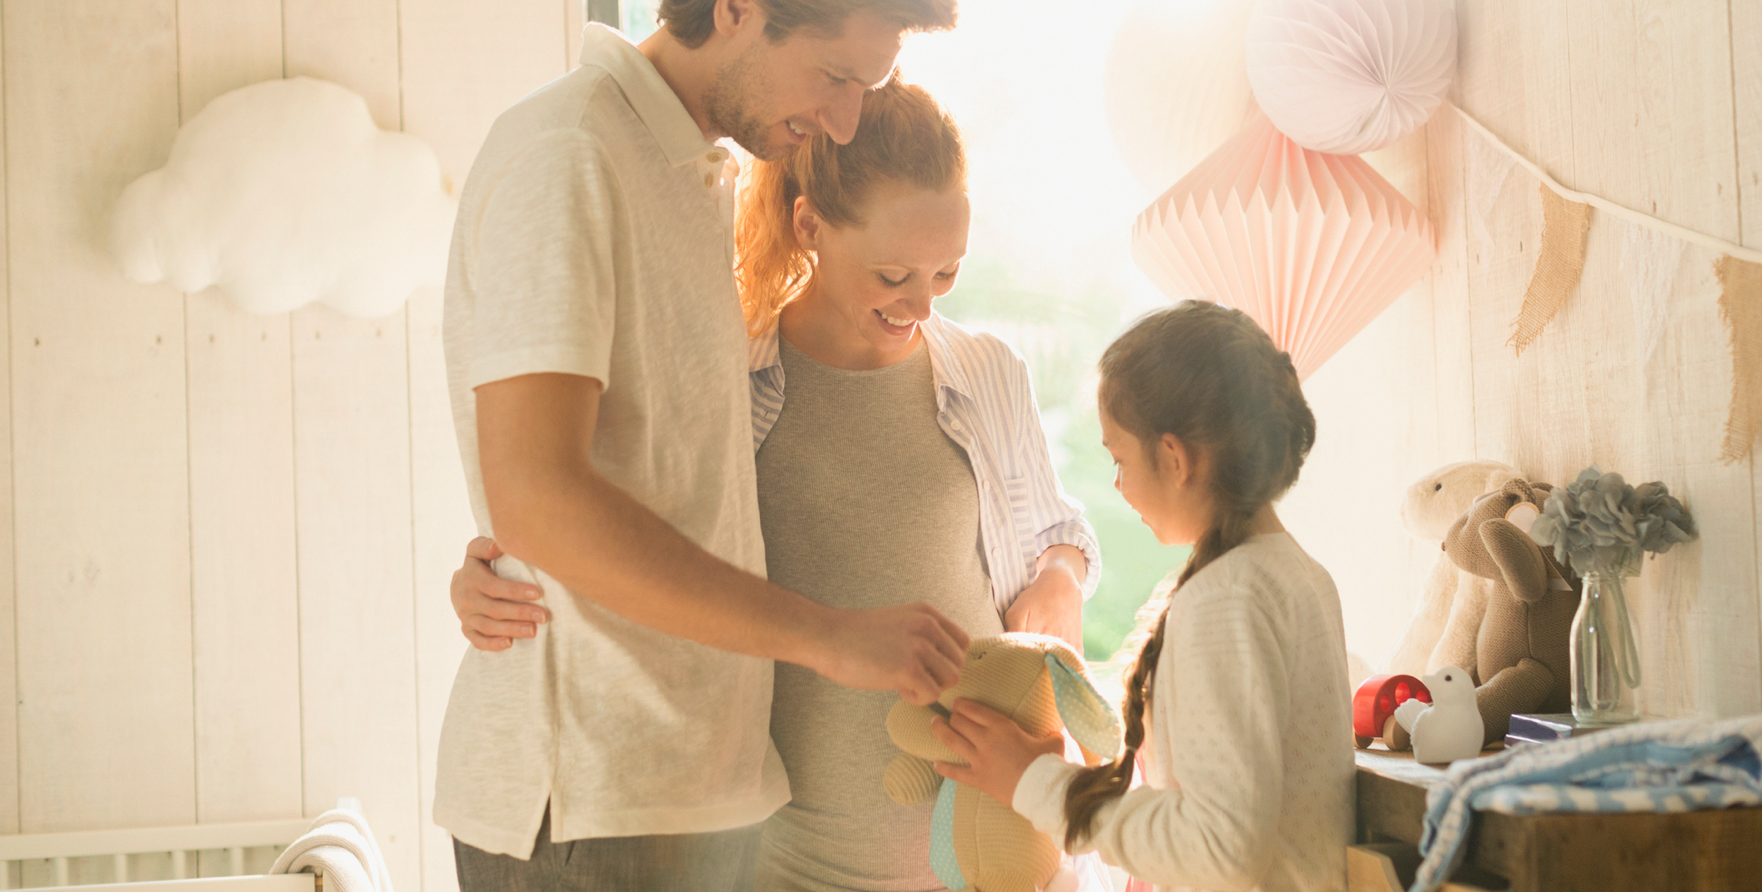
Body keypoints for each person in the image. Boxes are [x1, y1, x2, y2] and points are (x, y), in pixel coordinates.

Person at [452, 79, 1102, 891]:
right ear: (810, 227)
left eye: (946, 272)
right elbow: (632, 535)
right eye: (894, 273)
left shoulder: (988, 372)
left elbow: (1056, 534)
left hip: (990, 854)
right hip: (780, 860)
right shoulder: (731, 374)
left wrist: (1059, 582)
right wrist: (505, 576)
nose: (921, 303)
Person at [930, 301, 1354, 892]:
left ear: (1176, 458)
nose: (1116, 482)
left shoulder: (1226, 601)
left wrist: (1036, 781)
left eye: (1119, 458)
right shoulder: (1296, 576)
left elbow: (1220, 847)